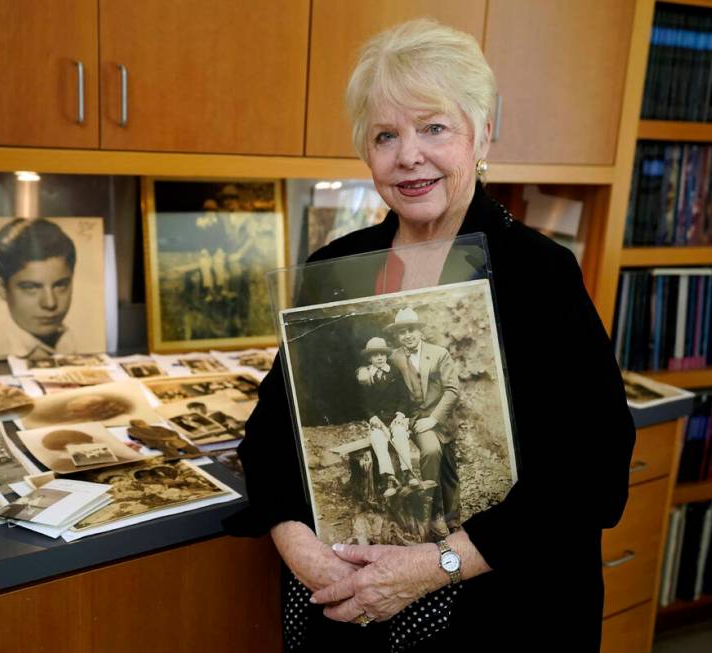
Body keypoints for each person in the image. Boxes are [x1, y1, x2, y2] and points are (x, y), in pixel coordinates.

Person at [227, 18, 635, 652]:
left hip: (500, 615)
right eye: (386, 135)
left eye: (434, 128)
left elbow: (592, 473)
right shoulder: (336, 267)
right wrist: (305, 553)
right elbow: (271, 436)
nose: (408, 156)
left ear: (482, 135)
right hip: (345, 605)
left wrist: (433, 566)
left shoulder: (537, 273)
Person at [384, 309, 460, 536]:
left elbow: (452, 391)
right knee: (431, 450)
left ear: (420, 331)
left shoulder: (439, 354)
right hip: (417, 420)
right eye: (402, 332)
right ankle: (436, 515)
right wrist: (396, 417)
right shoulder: (394, 358)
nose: (407, 335)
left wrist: (434, 419)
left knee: (449, 471)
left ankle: (454, 521)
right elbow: (388, 390)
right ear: (397, 336)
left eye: (411, 330)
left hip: (442, 420)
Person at [0, 218, 77, 360]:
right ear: (2, 289)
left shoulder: (67, 338)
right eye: (30, 287)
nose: (50, 303)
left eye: (60, 285)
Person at [355, 336, 418, 498]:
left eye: (382, 354)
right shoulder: (366, 376)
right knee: (377, 438)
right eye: (375, 355)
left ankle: (407, 472)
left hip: (395, 417)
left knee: (399, 434)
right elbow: (363, 403)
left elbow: (404, 397)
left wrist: (401, 413)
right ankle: (388, 477)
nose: (380, 357)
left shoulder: (394, 372)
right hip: (379, 420)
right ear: (369, 358)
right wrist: (372, 417)